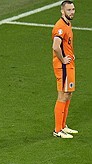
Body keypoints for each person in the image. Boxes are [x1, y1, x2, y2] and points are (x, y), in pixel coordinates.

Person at [52, 1, 78, 139]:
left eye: (73, 9)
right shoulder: (60, 27)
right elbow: (55, 47)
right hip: (63, 67)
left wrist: (70, 54)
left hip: (68, 65)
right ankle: (57, 130)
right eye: (69, 10)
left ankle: (63, 126)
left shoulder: (67, 24)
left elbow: (65, 45)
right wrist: (63, 60)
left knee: (68, 94)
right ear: (62, 11)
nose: (72, 12)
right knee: (62, 95)